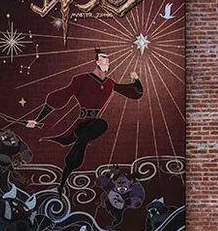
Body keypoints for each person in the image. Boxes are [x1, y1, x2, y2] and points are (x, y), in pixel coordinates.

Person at [26, 49, 143, 194]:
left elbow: (133, 93)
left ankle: (64, 179)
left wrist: (136, 79)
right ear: (97, 62)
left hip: (94, 125)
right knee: (89, 132)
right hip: (81, 124)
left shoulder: (110, 83)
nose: (107, 62)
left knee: (100, 124)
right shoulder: (81, 79)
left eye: (108, 60)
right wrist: (38, 120)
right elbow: (60, 97)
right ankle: (63, 181)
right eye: (103, 59)